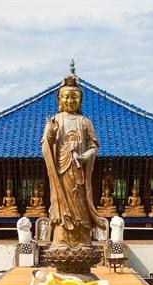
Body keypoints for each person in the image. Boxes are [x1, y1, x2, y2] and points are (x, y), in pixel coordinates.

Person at [41, 73, 102, 248]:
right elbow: (46, 144)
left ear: (80, 100)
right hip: (61, 172)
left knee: (80, 204)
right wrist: (51, 133)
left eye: (74, 97)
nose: (70, 101)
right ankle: (61, 240)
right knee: (62, 205)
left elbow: (94, 147)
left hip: (79, 171)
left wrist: (84, 157)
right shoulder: (56, 119)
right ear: (59, 100)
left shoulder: (85, 122)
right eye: (66, 97)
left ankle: (83, 240)